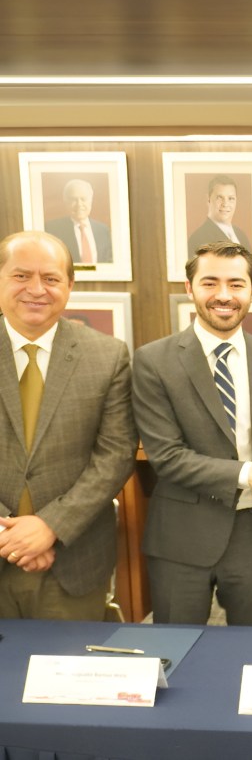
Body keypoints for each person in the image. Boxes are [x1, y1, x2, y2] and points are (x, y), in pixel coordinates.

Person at [132, 242, 252, 625]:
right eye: (210, 283)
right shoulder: (153, 360)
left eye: (236, 284)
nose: (224, 295)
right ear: (189, 288)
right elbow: (167, 458)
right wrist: (250, 474)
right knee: (177, 651)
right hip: (181, 538)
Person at [0, 230, 137, 619]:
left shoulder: (107, 355)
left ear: (70, 286)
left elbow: (115, 455)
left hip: (73, 563)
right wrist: (9, 536)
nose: (36, 289)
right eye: (21, 276)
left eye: (51, 278)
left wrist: (50, 527)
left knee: (68, 661)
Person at [44, 179, 113, 263]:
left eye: (83, 199)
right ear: (66, 202)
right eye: (74, 199)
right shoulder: (52, 229)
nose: (79, 204)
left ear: (90, 200)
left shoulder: (103, 230)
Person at [187, 175, 251, 258]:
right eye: (219, 197)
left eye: (231, 198)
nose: (225, 204)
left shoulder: (241, 235)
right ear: (208, 199)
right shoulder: (197, 239)